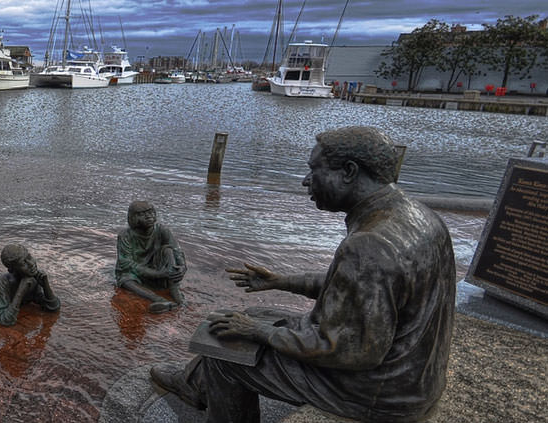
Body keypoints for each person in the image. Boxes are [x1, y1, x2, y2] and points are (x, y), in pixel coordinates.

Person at [150, 126, 456, 422]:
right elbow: (359, 290)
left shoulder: (369, 244)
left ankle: (203, 385)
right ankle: (193, 384)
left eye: (315, 170)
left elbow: (351, 352)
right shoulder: (419, 215)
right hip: (415, 377)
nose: (306, 181)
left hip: (378, 391)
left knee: (224, 355)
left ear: (349, 172)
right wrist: (280, 282)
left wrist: (260, 333)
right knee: (253, 313)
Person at [115, 201, 187, 313]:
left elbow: (177, 251)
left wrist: (182, 267)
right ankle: (159, 300)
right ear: (133, 217)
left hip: (157, 267)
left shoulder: (162, 230)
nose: (149, 216)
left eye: (151, 212)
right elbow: (126, 263)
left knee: (168, 250)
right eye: (143, 214)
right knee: (125, 279)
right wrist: (156, 274)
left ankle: (176, 293)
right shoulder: (125, 235)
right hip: (137, 273)